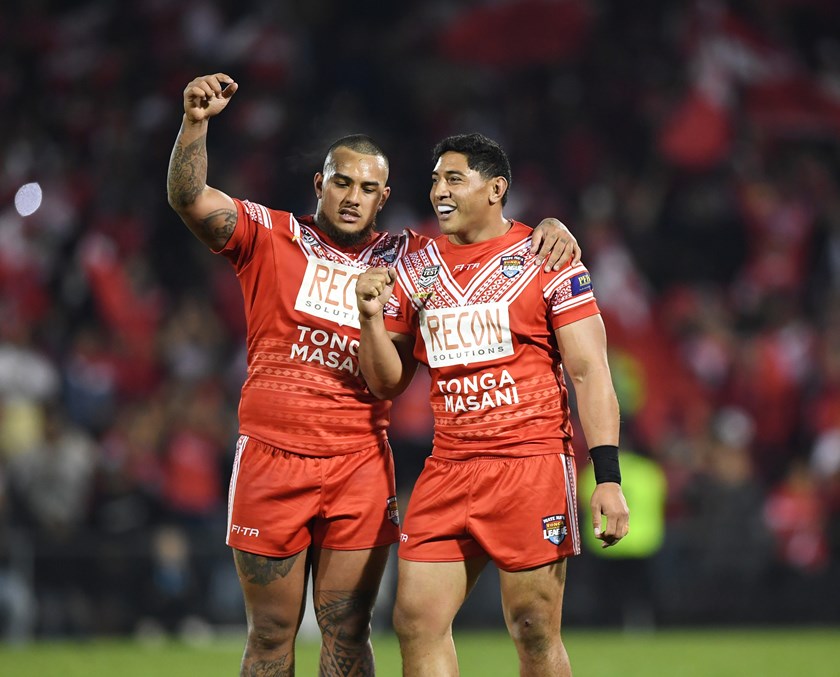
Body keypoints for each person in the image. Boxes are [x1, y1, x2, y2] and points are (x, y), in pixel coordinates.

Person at [166, 73, 582, 675]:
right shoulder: (271, 236)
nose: (353, 197)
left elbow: (485, 237)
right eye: (341, 182)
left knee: (348, 634)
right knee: (270, 635)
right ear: (320, 185)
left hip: (358, 463)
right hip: (270, 457)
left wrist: (550, 228)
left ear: (383, 198)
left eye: (368, 188)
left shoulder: (407, 256)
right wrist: (196, 124)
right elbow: (189, 197)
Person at [355, 132, 630, 676]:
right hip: (449, 466)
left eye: (454, 178)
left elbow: (590, 371)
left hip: (529, 466)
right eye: (435, 179)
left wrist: (609, 477)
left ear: (496, 188)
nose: (439, 190)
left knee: (532, 626)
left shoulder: (547, 259)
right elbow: (388, 383)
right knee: (415, 621)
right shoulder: (414, 269)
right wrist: (369, 320)